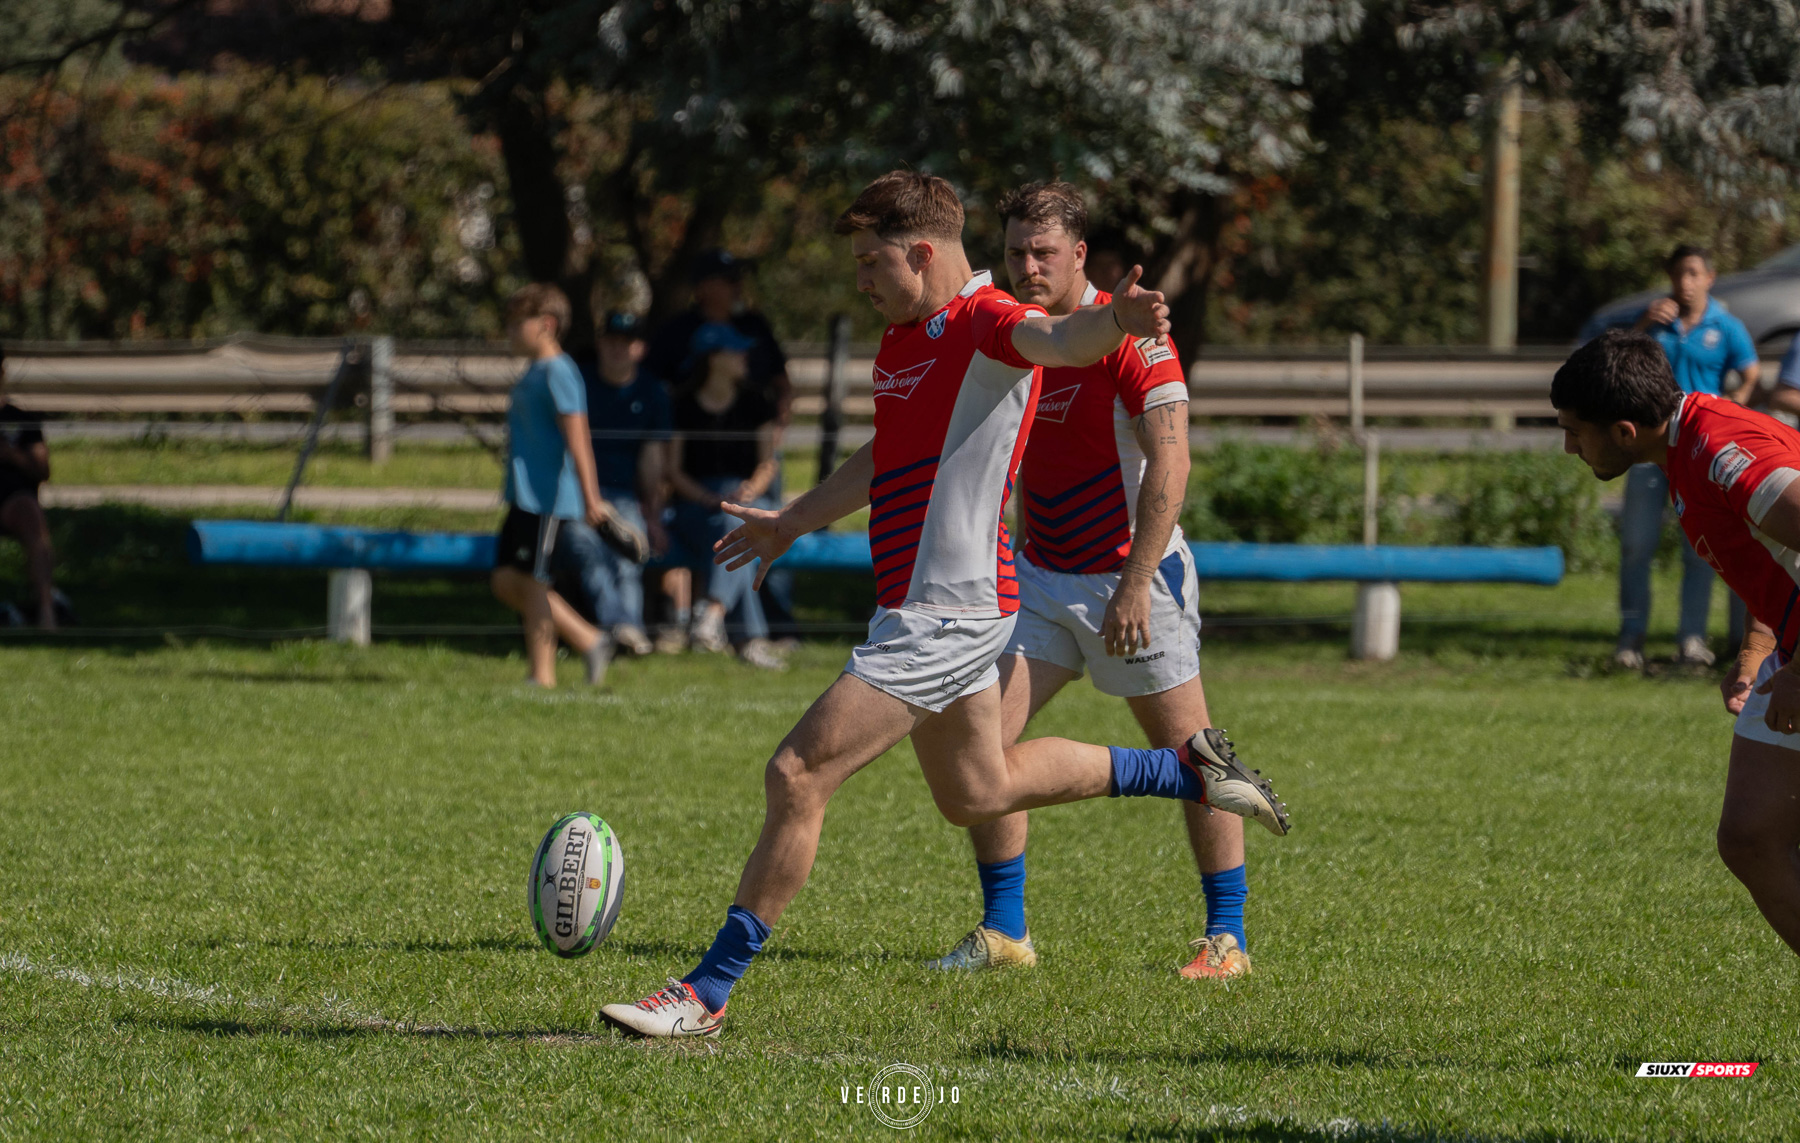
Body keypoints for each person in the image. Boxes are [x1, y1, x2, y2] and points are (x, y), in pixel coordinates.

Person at [599, 171, 1288, 1040]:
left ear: (921, 253)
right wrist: (794, 521)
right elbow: (888, 450)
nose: (859, 278)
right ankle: (1183, 770)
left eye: (868, 261)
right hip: (955, 604)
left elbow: (1062, 336)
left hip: (946, 616)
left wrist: (1119, 319)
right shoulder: (907, 337)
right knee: (978, 789)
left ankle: (707, 989)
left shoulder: (984, 320)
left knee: (797, 773)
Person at [922, 182, 1256, 981]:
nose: (1027, 266)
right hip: (1040, 577)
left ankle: (1227, 939)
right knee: (986, 749)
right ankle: (1005, 930)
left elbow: (1171, 457)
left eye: (1043, 252)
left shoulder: (1132, 339)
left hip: (1131, 577)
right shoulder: (1020, 335)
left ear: (1079, 255)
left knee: (1195, 754)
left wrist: (1137, 581)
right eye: (1014, 253)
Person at [1554, 329, 1800, 957]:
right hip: (1790, 648)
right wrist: (1759, 644)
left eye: (1576, 431)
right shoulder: (1684, 447)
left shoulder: (1724, 453)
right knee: (1750, 836)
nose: (1567, 447)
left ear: (1625, 431)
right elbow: (1769, 558)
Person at [1614, 244, 1760, 670]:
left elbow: (1750, 371)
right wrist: (1641, 325)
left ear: (1709, 278)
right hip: (1649, 450)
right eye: (1678, 273)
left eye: (1693, 273)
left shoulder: (1726, 326)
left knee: (1699, 549)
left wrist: (1734, 406)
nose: (1685, 282)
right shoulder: (1656, 322)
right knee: (1636, 545)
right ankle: (1630, 639)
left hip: (1698, 452)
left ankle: (1691, 641)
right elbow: (1619, 364)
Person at [645, 248, 801, 643]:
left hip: (752, 464)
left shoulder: (753, 327)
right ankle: (745, 636)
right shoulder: (677, 336)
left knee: (769, 526)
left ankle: (745, 620)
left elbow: (781, 384)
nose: (737, 287)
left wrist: (772, 436)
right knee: (741, 530)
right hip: (699, 484)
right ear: (704, 286)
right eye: (727, 279)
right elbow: (656, 400)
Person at [490, 284, 616, 688]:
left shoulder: (560, 371)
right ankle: (590, 639)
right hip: (524, 496)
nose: (509, 333)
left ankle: (541, 676)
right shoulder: (535, 371)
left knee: (532, 582)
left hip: (548, 498)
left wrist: (591, 498)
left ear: (546, 325)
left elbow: (578, 438)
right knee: (506, 580)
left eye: (516, 324)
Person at [668, 322, 785, 670]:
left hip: (747, 497)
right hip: (695, 504)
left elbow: (768, 464)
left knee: (741, 521)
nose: (744, 356)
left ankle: (713, 613)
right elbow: (673, 471)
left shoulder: (756, 402)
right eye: (735, 350)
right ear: (713, 358)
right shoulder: (682, 404)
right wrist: (705, 495)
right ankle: (749, 640)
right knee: (739, 527)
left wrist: (750, 489)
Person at [558, 310, 670, 656]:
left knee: (628, 553)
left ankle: (625, 631)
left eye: (628, 342)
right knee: (586, 549)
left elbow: (653, 460)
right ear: (599, 343)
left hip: (624, 497)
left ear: (640, 349)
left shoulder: (652, 391)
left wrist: (652, 514)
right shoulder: (579, 384)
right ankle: (621, 626)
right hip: (576, 495)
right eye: (611, 341)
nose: (618, 348)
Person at [0, 347, 58, 630]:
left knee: (31, 514)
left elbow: (43, 470)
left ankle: (47, 611)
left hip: (11, 501)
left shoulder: (20, 418)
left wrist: (11, 455)